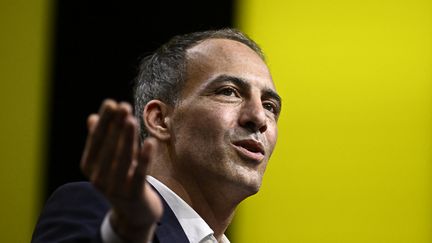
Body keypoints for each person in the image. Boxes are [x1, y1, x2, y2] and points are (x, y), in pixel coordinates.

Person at [32, 28, 282, 243]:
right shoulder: (96, 210)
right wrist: (127, 233)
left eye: (270, 106)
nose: (259, 118)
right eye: (229, 92)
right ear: (160, 119)